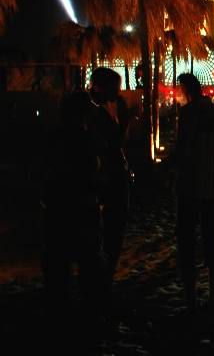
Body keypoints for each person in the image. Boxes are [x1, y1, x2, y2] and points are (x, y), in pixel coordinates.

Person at [174, 73, 214, 312]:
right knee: (211, 240)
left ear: (185, 90)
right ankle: (213, 295)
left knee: (187, 243)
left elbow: (183, 149)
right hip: (212, 186)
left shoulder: (188, 114)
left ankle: (191, 298)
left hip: (190, 185)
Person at [41, 91, 104, 317]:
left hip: (58, 206)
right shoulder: (86, 139)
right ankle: (87, 310)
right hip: (81, 206)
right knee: (88, 260)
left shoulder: (53, 137)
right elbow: (91, 172)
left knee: (58, 262)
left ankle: (60, 308)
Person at [88, 67, 131, 310]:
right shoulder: (96, 114)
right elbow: (113, 143)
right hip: (107, 179)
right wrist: (125, 122)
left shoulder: (105, 109)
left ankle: (104, 280)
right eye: (116, 87)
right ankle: (103, 284)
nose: (119, 91)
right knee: (110, 231)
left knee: (112, 230)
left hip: (111, 177)